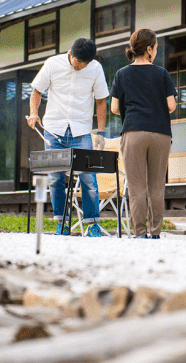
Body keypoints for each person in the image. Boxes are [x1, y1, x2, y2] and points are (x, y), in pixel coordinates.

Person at [28, 38, 108, 237]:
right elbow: (37, 90)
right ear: (71, 54)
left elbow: (101, 101)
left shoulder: (95, 68)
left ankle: (92, 224)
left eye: (85, 64)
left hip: (81, 131)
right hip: (54, 129)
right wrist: (34, 113)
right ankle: (61, 222)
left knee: (88, 177)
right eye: (79, 63)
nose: (81, 67)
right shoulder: (52, 64)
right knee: (55, 178)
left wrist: (99, 131)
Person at [110, 29, 176, 239]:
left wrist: (133, 108)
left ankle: (139, 233)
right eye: (155, 48)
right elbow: (171, 105)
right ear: (149, 49)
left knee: (136, 186)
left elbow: (114, 108)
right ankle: (155, 232)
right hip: (160, 134)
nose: (156, 51)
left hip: (133, 132)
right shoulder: (162, 73)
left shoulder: (121, 74)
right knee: (157, 186)